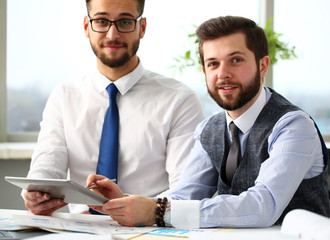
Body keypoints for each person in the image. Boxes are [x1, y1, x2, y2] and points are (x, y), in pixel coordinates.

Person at [86, 16, 330, 228]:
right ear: (204, 72)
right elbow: (185, 196)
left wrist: (157, 211)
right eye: (213, 63)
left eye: (236, 60)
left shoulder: (294, 126)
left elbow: (263, 206)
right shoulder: (209, 129)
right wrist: (126, 203)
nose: (222, 73)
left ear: (262, 65)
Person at [23, 0, 204, 216]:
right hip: (79, 229)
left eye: (125, 22)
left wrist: (139, 209)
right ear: (86, 27)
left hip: (150, 230)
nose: (112, 35)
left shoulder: (179, 100)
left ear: (142, 27)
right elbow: (47, 168)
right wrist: (36, 194)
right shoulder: (63, 97)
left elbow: (186, 191)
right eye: (101, 21)